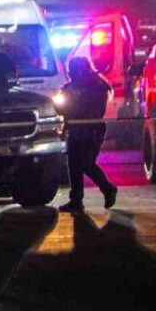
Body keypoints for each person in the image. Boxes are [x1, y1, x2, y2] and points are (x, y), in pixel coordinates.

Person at [58, 56, 118, 213]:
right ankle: (76, 200)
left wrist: (72, 105)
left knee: (85, 162)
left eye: (74, 69)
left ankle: (107, 188)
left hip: (91, 129)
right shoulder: (71, 87)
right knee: (73, 165)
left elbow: (93, 109)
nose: (71, 73)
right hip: (76, 128)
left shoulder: (96, 86)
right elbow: (63, 107)